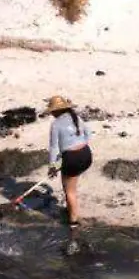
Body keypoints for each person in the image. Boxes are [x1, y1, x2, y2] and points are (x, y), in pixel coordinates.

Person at [44, 95, 93, 248]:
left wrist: (52, 166)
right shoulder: (76, 117)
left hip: (72, 158)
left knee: (69, 191)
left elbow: (54, 148)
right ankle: (70, 209)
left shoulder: (56, 124)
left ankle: (73, 224)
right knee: (71, 183)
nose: (51, 114)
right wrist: (76, 145)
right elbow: (88, 134)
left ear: (55, 111)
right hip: (86, 154)